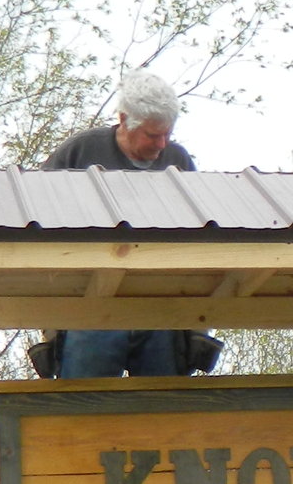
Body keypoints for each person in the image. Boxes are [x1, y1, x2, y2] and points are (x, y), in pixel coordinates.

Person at [33, 72, 214, 378]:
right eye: (152, 135)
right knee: (86, 393)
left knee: (165, 398)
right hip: (88, 306)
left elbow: (201, 239)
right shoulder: (80, 153)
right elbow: (33, 214)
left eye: (167, 134)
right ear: (124, 119)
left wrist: (198, 325)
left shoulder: (178, 161)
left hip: (159, 306)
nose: (162, 143)